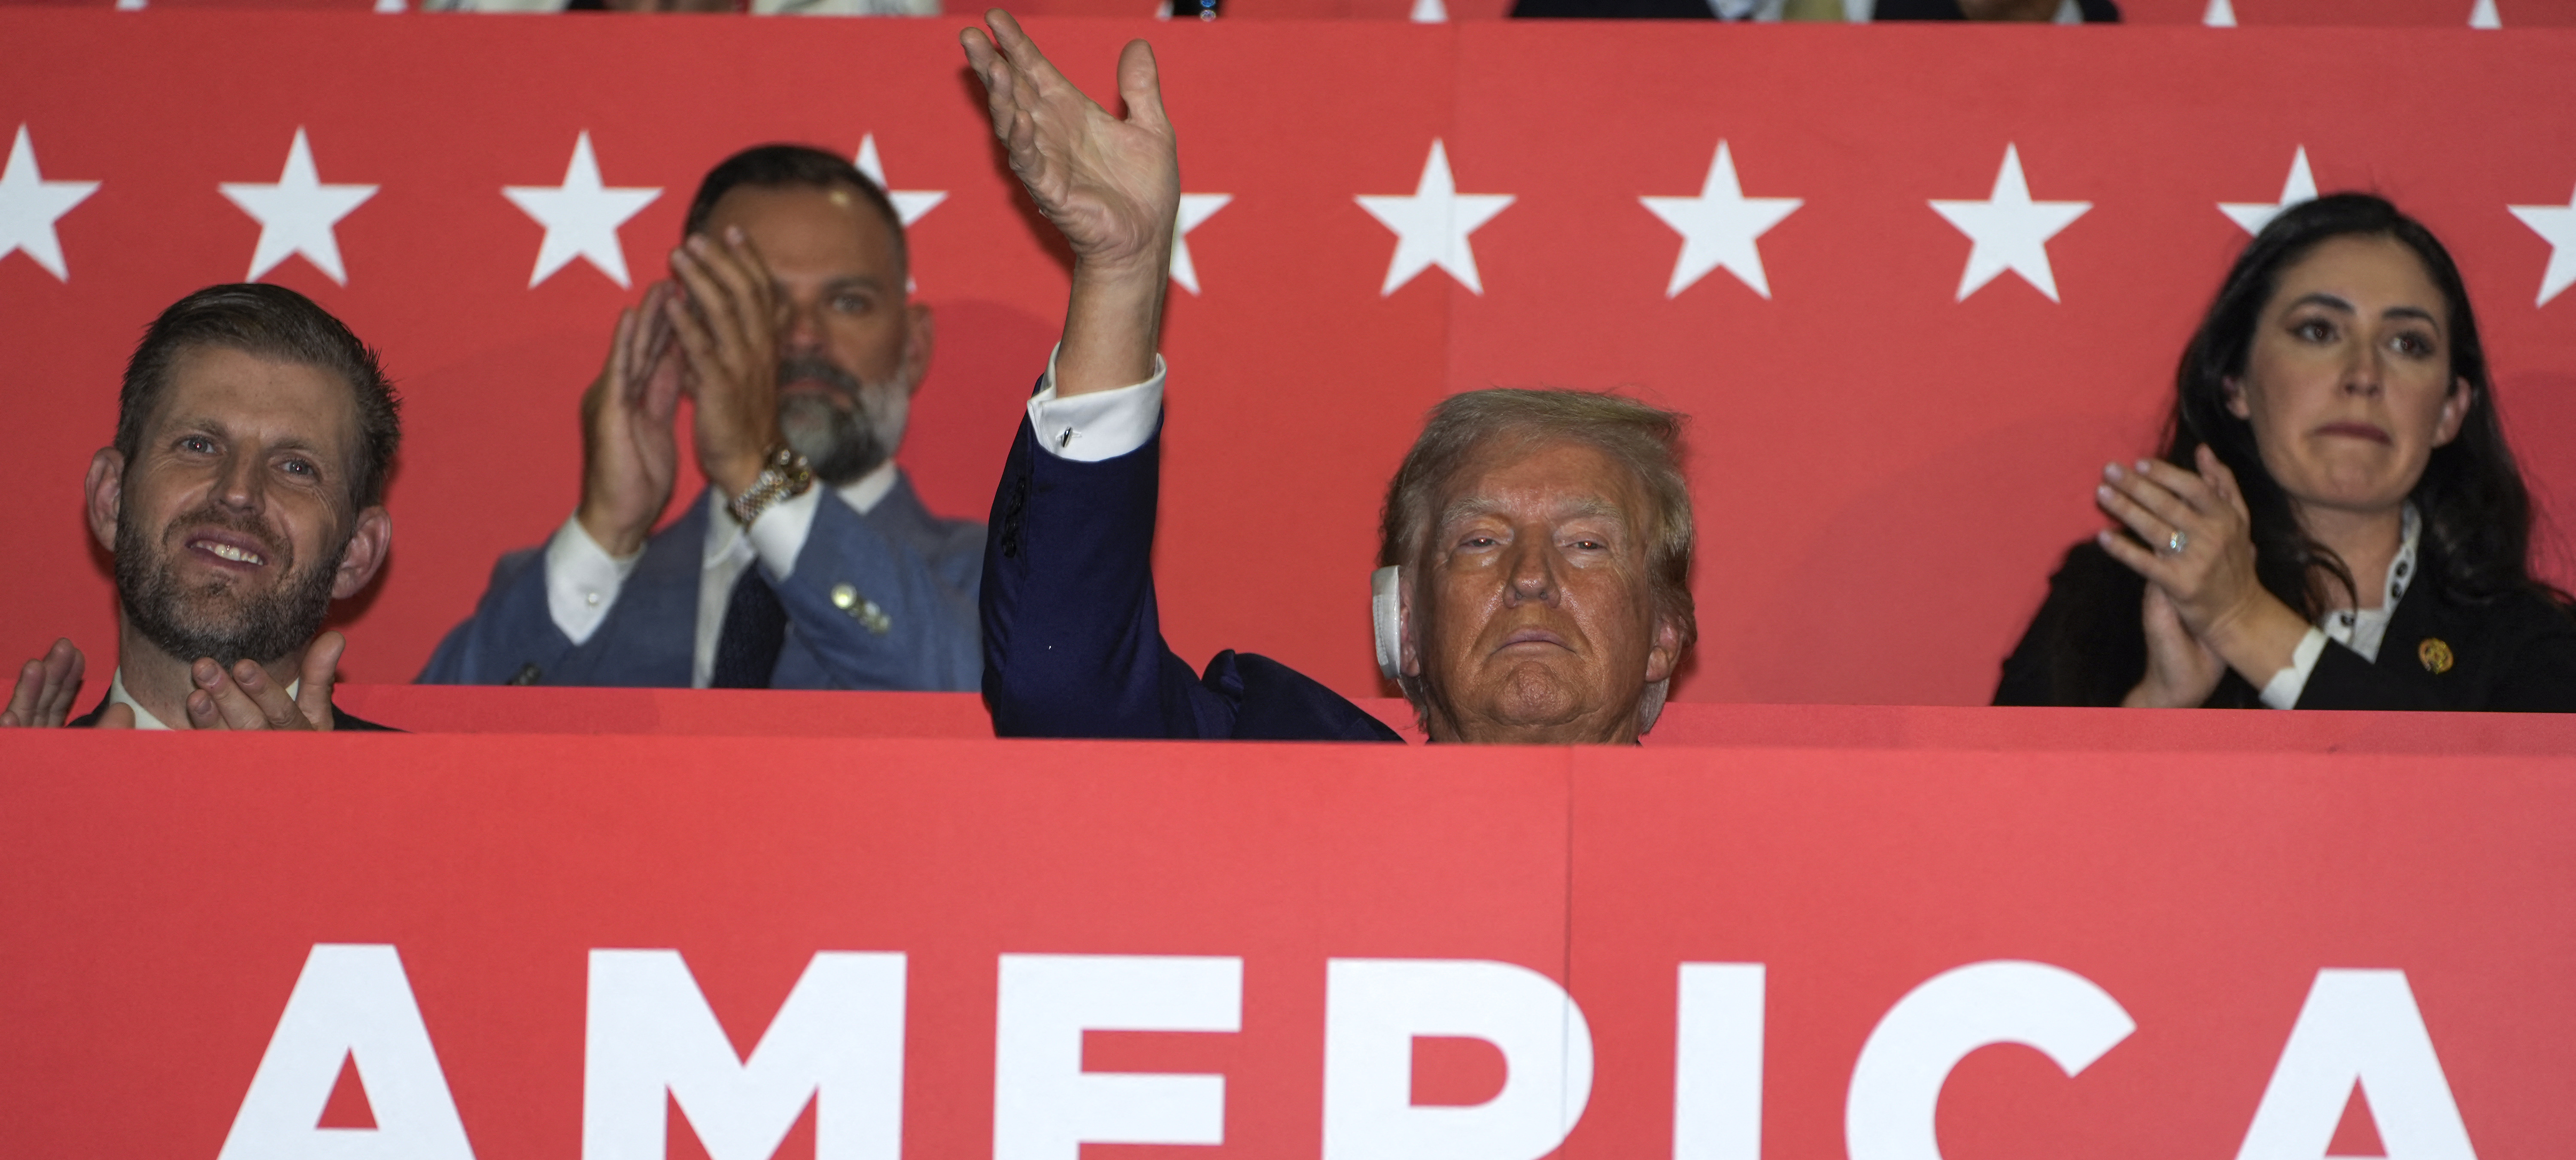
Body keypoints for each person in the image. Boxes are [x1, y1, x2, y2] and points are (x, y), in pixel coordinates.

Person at [960, 12, 1694, 744]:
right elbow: (1063, 685)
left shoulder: (1775, 846)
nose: (1531, 576)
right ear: (1403, 627)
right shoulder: (1276, 766)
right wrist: (1122, 276)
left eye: (1588, 544)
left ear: (1666, 630)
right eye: (1478, 540)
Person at [420, 146, 982, 692]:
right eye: (758, 303)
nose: (804, 337)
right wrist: (607, 534)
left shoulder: (999, 577)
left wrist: (758, 474)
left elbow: (996, 708)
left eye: (848, 302)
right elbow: (414, 757)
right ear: (688, 341)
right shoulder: (579, 586)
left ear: (913, 349)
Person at [1996, 193, 2576, 711]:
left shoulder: (2528, 643)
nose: (2364, 375)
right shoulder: (2106, 602)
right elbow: (2004, 824)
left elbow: (2481, 812)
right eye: (2319, 332)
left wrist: (2243, 619)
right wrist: (2156, 713)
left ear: (2449, 411)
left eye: (2407, 344)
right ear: (2236, 385)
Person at [2, 284, 400, 732]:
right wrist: (27, 797)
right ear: (111, 498)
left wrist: (328, 801)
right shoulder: (19, 794)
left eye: (295, 467)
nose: (238, 491)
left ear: (356, 552)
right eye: (199, 445)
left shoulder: (439, 801)